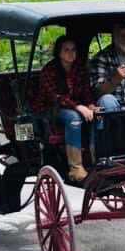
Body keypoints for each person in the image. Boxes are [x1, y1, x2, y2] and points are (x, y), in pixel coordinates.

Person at [34, 35, 98, 182]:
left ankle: (96, 160)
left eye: (73, 50)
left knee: (98, 114)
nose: (71, 53)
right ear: (59, 52)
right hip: (50, 110)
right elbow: (55, 97)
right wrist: (78, 107)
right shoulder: (49, 70)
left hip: (74, 107)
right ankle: (76, 168)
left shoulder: (80, 69)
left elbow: (87, 92)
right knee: (73, 117)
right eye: (66, 50)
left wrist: (90, 105)